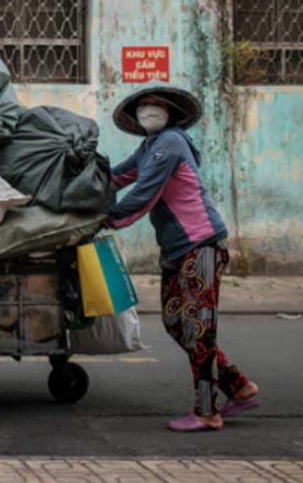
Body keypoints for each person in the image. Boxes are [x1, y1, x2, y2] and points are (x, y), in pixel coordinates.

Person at [105, 82, 259, 432]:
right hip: (176, 249)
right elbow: (117, 176)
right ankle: (238, 385)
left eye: (156, 104)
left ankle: (207, 411)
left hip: (201, 244)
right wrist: (79, 186)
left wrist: (105, 218)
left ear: (170, 112)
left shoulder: (171, 143)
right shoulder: (148, 147)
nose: (149, 110)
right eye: (143, 105)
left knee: (198, 328)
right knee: (177, 324)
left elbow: (143, 195)